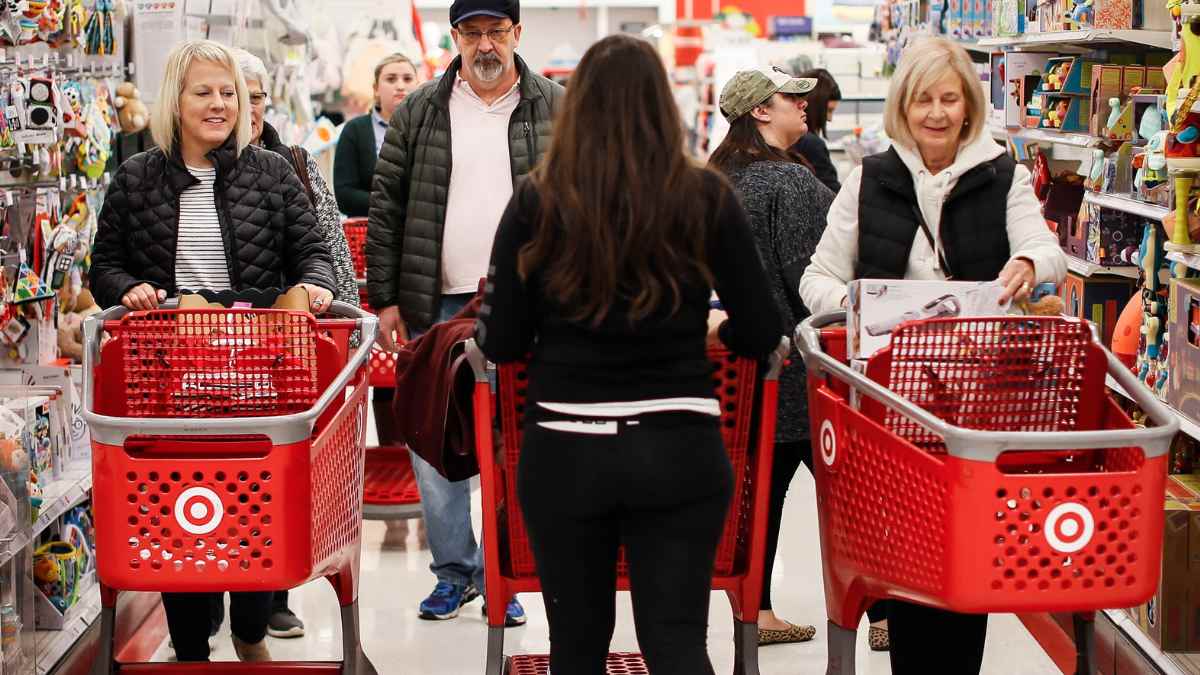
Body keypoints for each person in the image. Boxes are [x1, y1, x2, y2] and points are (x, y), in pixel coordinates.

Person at [477, 34, 783, 675]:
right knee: (676, 643)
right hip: (680, 450)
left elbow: (501, 341)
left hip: (565, 451)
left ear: (577, 108)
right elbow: (761, 330)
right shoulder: (704, 196)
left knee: (578, 649)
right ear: (661, 107)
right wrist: (711, 333)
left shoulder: (538, 201)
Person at [800, 36, 1067, 674]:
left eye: (950, 99)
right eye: (924, 99)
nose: (937, 113)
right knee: (907, 555)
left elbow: (1045, 249)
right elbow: (816, 277)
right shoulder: (869, 179)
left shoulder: (1004, 176)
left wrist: (1029, 262)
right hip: (890, 402)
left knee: (968, 555)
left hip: (977, 402)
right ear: (904, 105)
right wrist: (857, 305)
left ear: (970, 106)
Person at [90, 39, 336, 663]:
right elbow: (106, 267)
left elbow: (312, 252)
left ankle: (252, 632)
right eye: (204, 91)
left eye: (228, 91)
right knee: (179, 512)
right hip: (168, 383)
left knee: (256, 513)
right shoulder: (136, 178)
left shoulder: (271, 173)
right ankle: (192, 646)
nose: (220, 104)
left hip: (261, 378)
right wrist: (131, 289)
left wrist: (313, 286)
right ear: (175, 98)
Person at [366, 0, 563, 626]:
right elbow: (387, 208)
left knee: (518, 441)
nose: (484, 45)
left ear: (517, 35)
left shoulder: (555, 107)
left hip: (527, 303)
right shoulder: (421, 110)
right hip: (434, 298)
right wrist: (387, 297)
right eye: (472, 32)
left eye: (496, 32)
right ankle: (455, 572)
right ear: (455, 37)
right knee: (431, 440)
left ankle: (505, 574)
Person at [232, 47, 359, 640]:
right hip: (212, 349)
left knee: (278, 470)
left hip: (291, 347)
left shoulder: (300, 165)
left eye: (255, 96)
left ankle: (271, 594)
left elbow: (333, 254)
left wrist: (331, 307)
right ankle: (207, 590)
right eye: (237, 94)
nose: (247, 107)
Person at [707, 67, 832, 647]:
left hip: (735, 365)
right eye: (791, 98)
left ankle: (753, 608)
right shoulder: (791, 183)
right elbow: (811, 278)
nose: (805, 106)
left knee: (761, 488)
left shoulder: (714, 177)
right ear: (761, 111)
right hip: (796, 364)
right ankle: (881, 611)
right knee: (851, 491)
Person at [334, 53, 421, 218]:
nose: (400, 86)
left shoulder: (430, 128)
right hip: (369, 234)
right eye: (391, 79)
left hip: (419, 234)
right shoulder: (355, 130)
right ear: (376, 89)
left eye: (408, 79)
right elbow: (344, 195)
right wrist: (393, 205)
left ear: (418, 86)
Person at [790, 67, 843, 193]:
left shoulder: (785, 138)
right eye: (828, 110)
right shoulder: (811, 144)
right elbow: (833, 196)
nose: (829, 118)